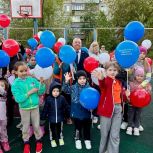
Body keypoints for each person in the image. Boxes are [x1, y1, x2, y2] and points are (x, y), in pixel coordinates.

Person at [11, 61, 46, 153]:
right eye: (21, 71)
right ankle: (26, 142)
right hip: (24, 109)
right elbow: (18, 99)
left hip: (35, 107)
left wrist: (42, 84)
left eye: (25, 70)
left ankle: (39, 140)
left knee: (36, 125)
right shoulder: (15, 84)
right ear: (15, 72)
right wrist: (30, 92)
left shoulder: (32, 80)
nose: (24, 73)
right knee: (25, 126)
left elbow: (40, 92)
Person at [92, 61, 122, 153]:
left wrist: (126, 95)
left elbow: (119, 94)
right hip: (106, 110)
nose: (112, 72)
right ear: (106, 71)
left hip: (118, 109)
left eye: (114, 70)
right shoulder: (105, 81)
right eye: (110, 70)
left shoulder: (118, 82)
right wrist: (101, 79)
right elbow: (103, 86)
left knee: (115, 134)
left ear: (117, 71)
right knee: (104, 134)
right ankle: (102, 151)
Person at [62, 70, 92, 150]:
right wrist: (66, 81)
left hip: (87, 111)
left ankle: (87, 139)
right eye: (80, 78)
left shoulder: (89, 88)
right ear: (77, 79)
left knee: (87, 127)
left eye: (84, 78)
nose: (82, 80)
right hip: (77, 111)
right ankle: (77, 139)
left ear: (86, 79)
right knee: (77, 127)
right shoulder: (73, 87)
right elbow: (65, 90)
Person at [41, 81, 70, 147]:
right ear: (51, 91)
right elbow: (45, 108)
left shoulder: (62, 98)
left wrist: (68, 114)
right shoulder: (48, 99)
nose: (56, 93)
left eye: (57, 91)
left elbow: (66, 106)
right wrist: (43, 116)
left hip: (60, 118)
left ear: (59, 91)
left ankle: (60, 138)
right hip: (51, 119)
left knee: (60, 129)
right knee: (52, 130)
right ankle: (53, 140)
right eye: (54, 91)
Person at [126, 67, 151, 136]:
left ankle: (136, 127)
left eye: (141, 76)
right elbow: (128, 91)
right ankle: (130, 127)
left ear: (144, 77)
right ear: (135, 76)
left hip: (140, 104)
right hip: (131, 103)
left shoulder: (145, 84)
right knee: (130, 114)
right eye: (138, 75)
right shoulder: (131, 83)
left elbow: (148, 92)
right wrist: (128, 94)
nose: (139, 77)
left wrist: (147, 88)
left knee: (138, 115)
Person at [0, 78, 11, 153]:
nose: (0, 87)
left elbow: (2, 92)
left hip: (2, 117)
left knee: (3, 129)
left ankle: (4, 141)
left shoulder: (4, 94)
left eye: (2, 85)